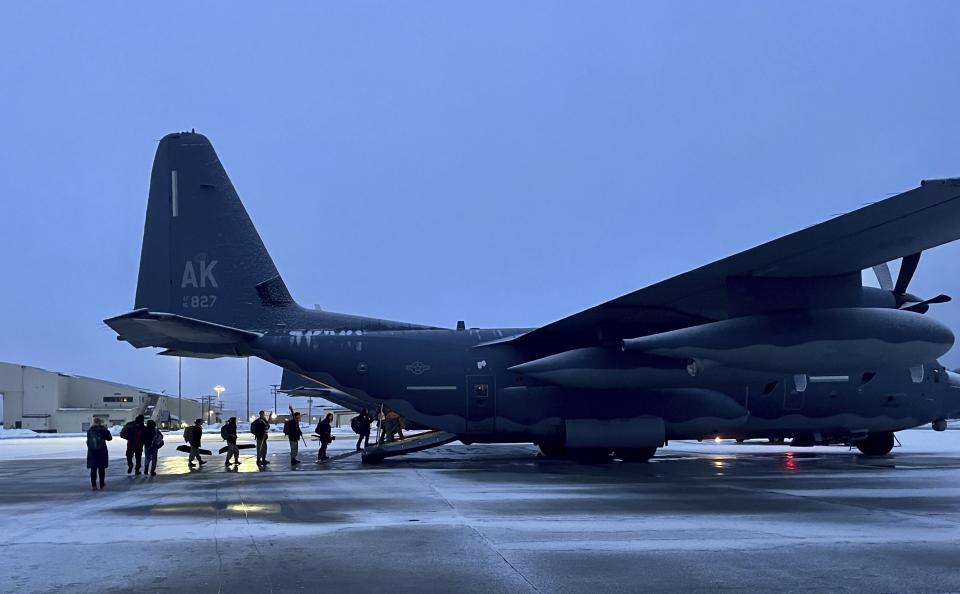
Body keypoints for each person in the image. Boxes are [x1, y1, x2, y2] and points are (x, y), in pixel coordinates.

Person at [86, 417, 112, 490]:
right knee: (101, 468)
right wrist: (106, 430)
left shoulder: (90, 430)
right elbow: (109, 438)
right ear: (100, 422)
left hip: (92, 452)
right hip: (101, 451)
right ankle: (102, 484)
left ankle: (93, 485)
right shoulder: (103, 430)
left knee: (93, 469)